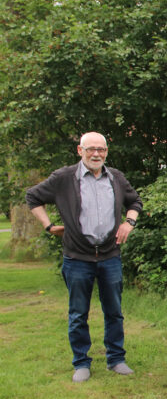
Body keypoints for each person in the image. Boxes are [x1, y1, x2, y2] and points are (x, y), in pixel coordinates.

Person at [26, 132, 142, 383]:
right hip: (77, 258)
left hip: (110, 256)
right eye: (91, 149)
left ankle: (116, 359)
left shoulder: (117, 178)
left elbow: (135, 202)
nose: (96, 154)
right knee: (78, 313)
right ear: (80, 151)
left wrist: (128, 223)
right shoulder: (64, 178)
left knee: (114, 311)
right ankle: (81, 362)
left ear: (107, 152)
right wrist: (48, 226)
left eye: (101, 149)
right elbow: (33, 197)